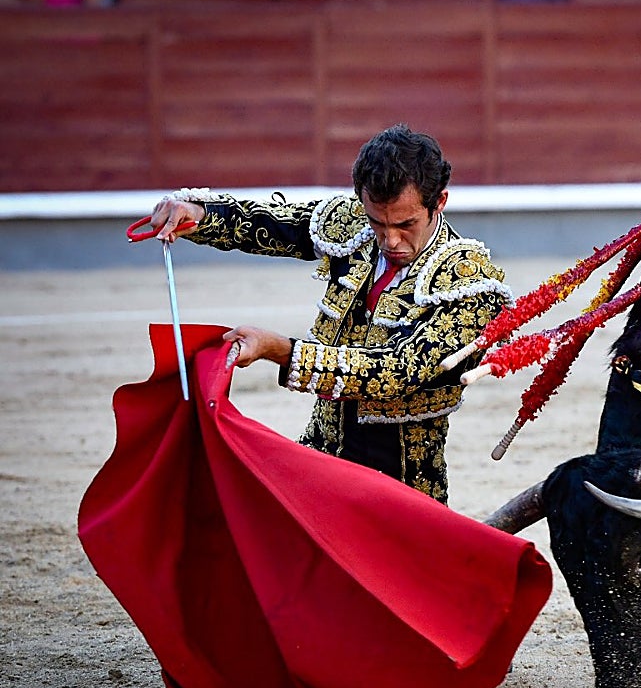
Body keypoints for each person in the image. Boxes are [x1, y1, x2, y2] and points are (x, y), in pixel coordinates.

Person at [147, 125, 513, 505]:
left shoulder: (470, 282)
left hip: (404, 487)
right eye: (378, 222)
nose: (389, 241)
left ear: (439, 203)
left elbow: (396, 372)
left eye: (406, 225)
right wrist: (200, 214)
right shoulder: (354, 225)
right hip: (322, 454)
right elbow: (277, 224)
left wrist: (283, 351)